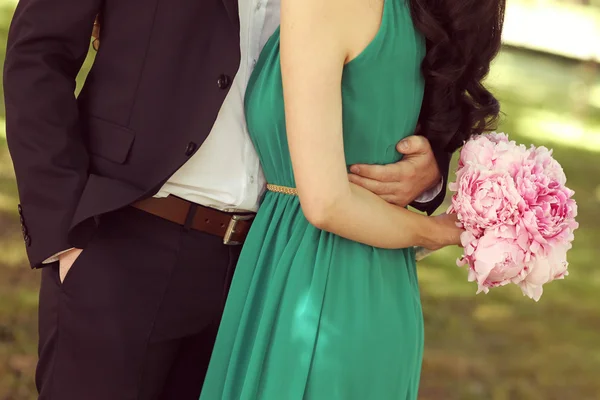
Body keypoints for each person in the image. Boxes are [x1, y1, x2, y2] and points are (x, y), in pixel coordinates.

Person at [3, 1, 448, 399]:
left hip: (262, 271)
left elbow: (414, 70)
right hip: (122, 242)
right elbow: (38, 51)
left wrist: (430, 168)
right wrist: (62, 228)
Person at [199, 0, 504, 398]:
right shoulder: (416, 15)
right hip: (377, 283)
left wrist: (440, 231)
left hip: (314, 279)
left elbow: (327, 204)